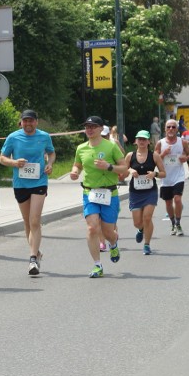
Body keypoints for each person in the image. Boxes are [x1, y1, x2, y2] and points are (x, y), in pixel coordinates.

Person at [69, 115, 127, 278]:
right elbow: (77, 165)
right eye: (87, 126)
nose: (89, 129)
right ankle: (97, 265)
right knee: (92, 227)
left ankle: (114, 243)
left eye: (93, 126)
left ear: (101, 129)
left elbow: (124, 169)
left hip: (109, 193)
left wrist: (108, 167)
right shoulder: (81, 148)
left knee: (108, 232)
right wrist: (75, 172)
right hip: (90, 193)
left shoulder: (111, 147)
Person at [0, 109, 55, 275]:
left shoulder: (44, 136)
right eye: (25, 121)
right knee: (27, 222)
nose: (28, 124)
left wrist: (50, 164)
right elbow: (2, 158)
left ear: (36, 122)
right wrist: (14, 162)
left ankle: (32, 260)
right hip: (20, 183)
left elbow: (51, 153)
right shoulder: (13, 137)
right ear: (21, 122)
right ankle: (36, 252)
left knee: (35, 220)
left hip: (39, 181)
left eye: (31, 121)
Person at [124, 130, 166, 255]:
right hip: (135, 192)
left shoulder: (154, 156)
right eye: (139, 139)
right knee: (137, 222)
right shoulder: (130, 156)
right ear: (136, 141)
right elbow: (123, 170)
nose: (142, 141)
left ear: (148, 142)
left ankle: (147, 245)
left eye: (144, 139)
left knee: (147, 218)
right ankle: (141, 229)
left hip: (150, 192)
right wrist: (130, 170)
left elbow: (164, 173)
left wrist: (155, 174)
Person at [155, 119, 189, 236]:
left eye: (173, 127)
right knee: (168, 203)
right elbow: (154, 159)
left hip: (178, 176)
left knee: (177, 199)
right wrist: (163, 154)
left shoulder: (182, 142)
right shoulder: (160, 143)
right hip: (165, 177)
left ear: (177, 129)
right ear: (165, 129)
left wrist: (186, 158)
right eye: (169, 127)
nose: (171, 129)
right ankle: (173, 223)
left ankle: (178, 223)